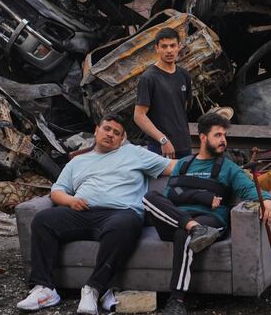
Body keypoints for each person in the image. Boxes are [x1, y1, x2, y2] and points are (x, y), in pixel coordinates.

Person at [16, 113, 178, 314]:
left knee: (126, 223)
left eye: (116, 133)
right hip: (82, 212)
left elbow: (174, 166)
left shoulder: (135, 154)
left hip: (120, 214)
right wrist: (71, 201)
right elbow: (57, 192)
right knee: (43, 219)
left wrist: (208, 163)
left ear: (122, 138)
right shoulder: (77, 162)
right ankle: (44, 289)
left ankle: (93, 288)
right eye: (107, 129)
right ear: (96, 130)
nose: (110, 134)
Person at [142, 113, 271, 315]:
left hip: (211, 221)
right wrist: (203, 197)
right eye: (217, 135)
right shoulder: (183, 164)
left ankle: (177, 299)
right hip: (180, 220)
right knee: (150, 197)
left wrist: (266, 199)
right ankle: (194, 228)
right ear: (203, 138)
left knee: (183, 235)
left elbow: (250, 189)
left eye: (224, 135)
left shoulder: (228, 168)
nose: (223, 140)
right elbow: (170, 195)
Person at [134, 27, 192, 159]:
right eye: (164, 46)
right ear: (157, 48)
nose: (169, 50)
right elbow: (139, 116)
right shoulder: (148, 78)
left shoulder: (184, 75)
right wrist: (163, 140)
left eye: (173, 45)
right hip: (160, 147)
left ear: (179, 46)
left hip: (184, 145)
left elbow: (184, 107)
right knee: (163, 180)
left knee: (184, 180)